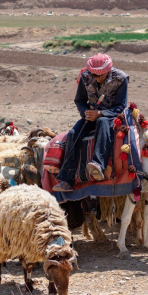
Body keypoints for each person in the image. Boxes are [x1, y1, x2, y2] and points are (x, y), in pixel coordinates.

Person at [52, 53, 129, 192]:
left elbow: (121, 106)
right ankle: (66, 179)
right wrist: (86, 113)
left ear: (107, 71)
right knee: (74, 133)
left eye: (99, 75)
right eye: (93, 74)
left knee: (103, 123)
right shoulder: (85, 76)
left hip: (110, 116)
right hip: (90, 115)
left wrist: (100, 114)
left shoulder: (121, 78)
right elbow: (80, 100)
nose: (96, 78)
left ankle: (98, 165)